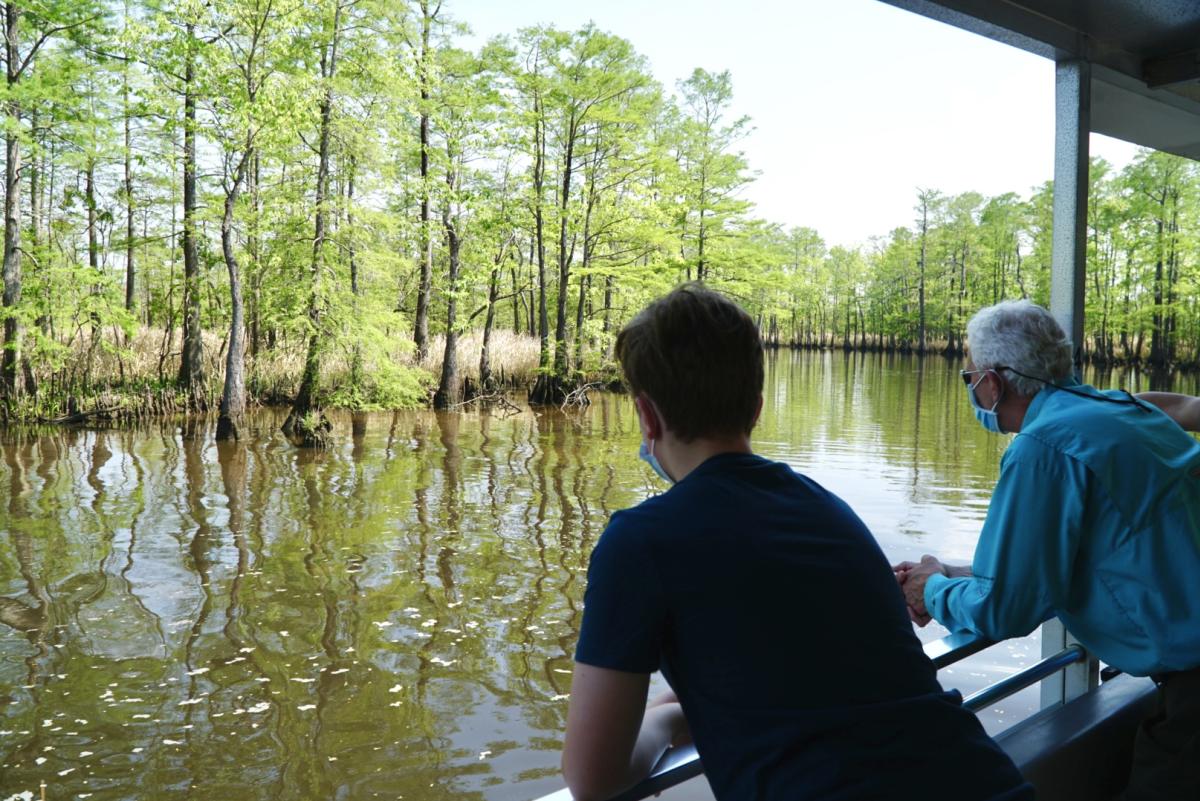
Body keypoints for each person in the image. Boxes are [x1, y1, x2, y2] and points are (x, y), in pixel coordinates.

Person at [562, 283, 1032, 801]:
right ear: (757, 407)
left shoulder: (640, 540)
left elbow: (593, 778)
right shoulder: (830, 512)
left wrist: (669, 719)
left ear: (647, 416)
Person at [894, 299, 1200, 801]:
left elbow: (1005, 608)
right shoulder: (1124, 411)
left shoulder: (1044, 447)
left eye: (969, 376)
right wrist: (950, 572)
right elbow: (1076, 557)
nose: (971, 388)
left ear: (992, 382)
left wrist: (934, 593)